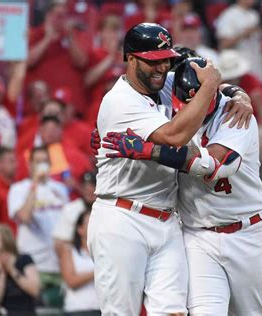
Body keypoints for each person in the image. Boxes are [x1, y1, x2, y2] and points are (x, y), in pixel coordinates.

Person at [102, 57, 262, 314]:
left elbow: (213, 168)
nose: (189, 107)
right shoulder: (167, 100)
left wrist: (151, 151)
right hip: (198, 236)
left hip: (247, 233)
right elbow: (130, 96)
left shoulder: (236, 115)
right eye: (184, 101)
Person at [89, 22, 222, 315]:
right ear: (132, 59)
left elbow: (205, 73)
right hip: (122, 217)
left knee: (173, 312)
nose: (161, 68)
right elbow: (175, 137)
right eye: (153, 61)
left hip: (165, 219)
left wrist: (239, 95)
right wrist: (211, 85)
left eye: (165, 60)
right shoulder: (119, 100)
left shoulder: (161, 84)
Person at [8, 146, 69, 307]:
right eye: (38, 162)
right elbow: (25, 217)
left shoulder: (60, 189)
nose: (42, 165)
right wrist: (34, 184)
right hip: (34, 265)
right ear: (30, 165)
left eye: (45, 161)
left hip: (58, 265)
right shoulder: (18, 189)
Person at [26, 0, 90, 115]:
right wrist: (47, 38)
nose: (62, 19)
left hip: (70, 103)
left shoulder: (72, 35)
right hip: (42, 103)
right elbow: (29, 61)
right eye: (58, 15)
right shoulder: (35, 34)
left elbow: (82, 62)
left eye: (65, 15)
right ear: (48, 15)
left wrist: (70, 37)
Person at [0, 224, 40, 315]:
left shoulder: (24, 259)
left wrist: (12, 270)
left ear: (4, 238)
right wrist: (2, 273)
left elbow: (34, 290)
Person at [60, 210, 99, 315]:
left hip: (102, 309)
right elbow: (71, 281)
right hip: (77, 310)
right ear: (80, 229)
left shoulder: (105, 252)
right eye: (90, 222)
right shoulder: (69, 251)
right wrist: (97, 271)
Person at [216, 0, 262, 82]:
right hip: (237, 70)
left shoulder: (254, 15)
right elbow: (223, 44)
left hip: (256, 68)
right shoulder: (229, 15)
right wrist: (243, 34)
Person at [53, 171, 96, 256]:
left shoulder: (106, 208)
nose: (89, 190)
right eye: (85, 186)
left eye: (92, 186)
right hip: (78, 257)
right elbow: (59, 243)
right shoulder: (70, 209)